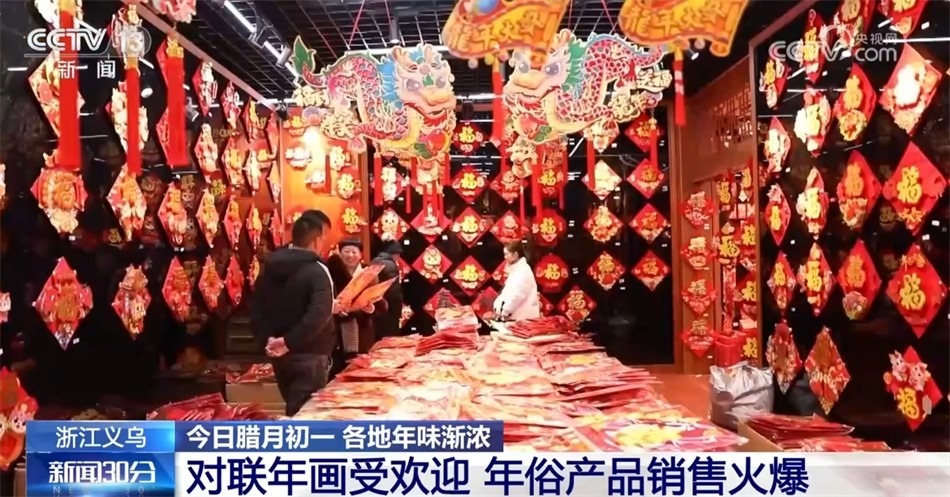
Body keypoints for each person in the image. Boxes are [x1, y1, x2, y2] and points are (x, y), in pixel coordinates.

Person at [250, 214, 336, 416]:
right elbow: (319, 314)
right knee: (305, 415)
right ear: (316, 240)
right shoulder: (317, 270)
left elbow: (256, 307)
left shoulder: (270, 267)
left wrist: (269, 338)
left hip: (279, 354)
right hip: (310, 354)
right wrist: (289, 342)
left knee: (294, 407)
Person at [324, 238, 385, 371]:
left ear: (360, 255)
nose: (350, 255)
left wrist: (371, 308)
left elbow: (382, 305)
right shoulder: (331, 273)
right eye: (346, 251)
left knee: (361, 369)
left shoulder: (369, 274)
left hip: (363, 331)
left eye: (354, 252)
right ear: (340, 253)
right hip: (337, 330)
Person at [493, 241, 540, 321]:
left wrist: (505, 311)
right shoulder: (517, 270)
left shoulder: (523, 270)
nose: (505, 257)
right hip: (516, 317)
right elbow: (507, 292)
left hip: (522, 318)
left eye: (506, 254)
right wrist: (498, 307)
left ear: (515, 255)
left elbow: (518, 294)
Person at [370, 233, 404, 339]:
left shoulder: (374, 262)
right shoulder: (390, 266)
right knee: (389, 339)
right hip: (388, 309)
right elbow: (394, 292)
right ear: (395, 253)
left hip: (376, 307)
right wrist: (397, 311)